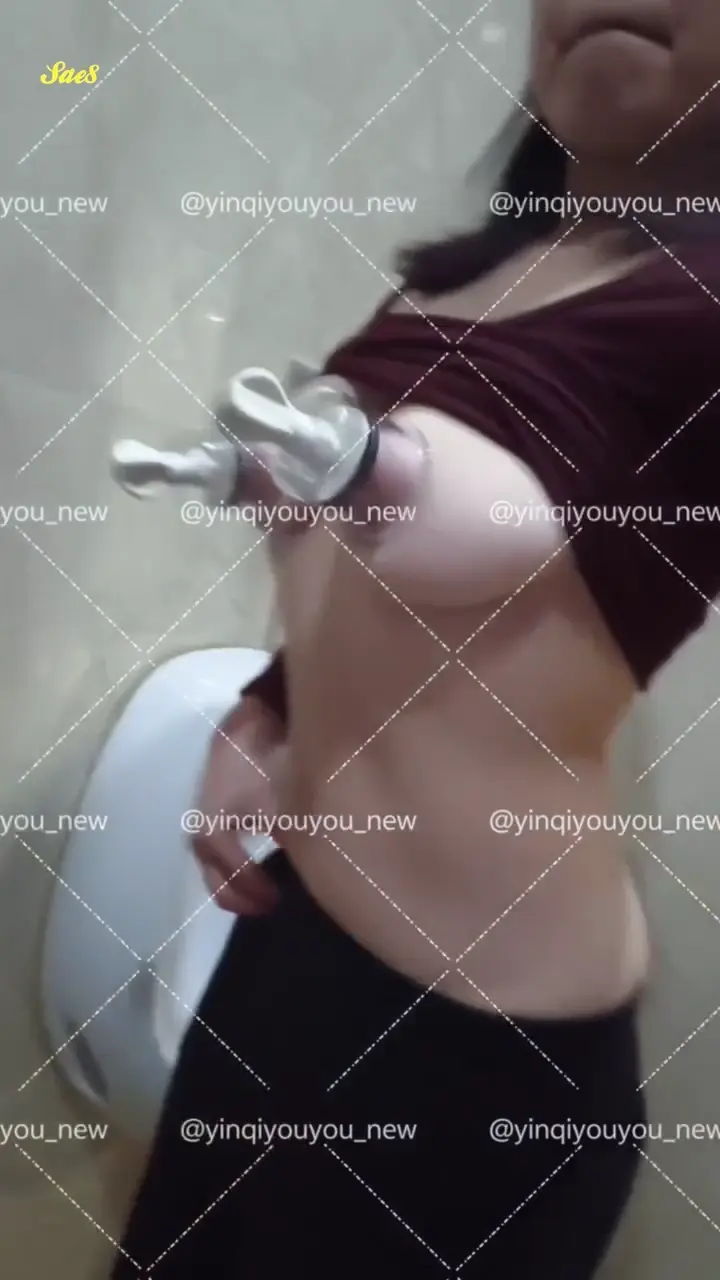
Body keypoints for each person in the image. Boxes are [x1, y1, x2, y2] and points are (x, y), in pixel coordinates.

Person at [111, 2, 720, 1275]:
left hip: (479, 1071)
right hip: (290, 951)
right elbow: (355, 565)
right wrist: (273, 707)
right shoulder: (463, 280)